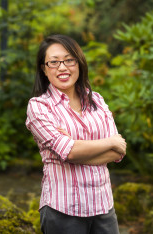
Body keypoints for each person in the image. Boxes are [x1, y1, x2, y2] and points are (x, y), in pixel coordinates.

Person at [25, 34, 126, 234]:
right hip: (63, 209)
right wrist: (109, 142)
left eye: (69, 60)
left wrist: (74, 147)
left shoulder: (96, 100)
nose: (62, 67)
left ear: (79, 63)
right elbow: (70, 151)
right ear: (44, 69)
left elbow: (117, 153)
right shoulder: (39, 107)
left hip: (103, 206)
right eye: (54, 62)